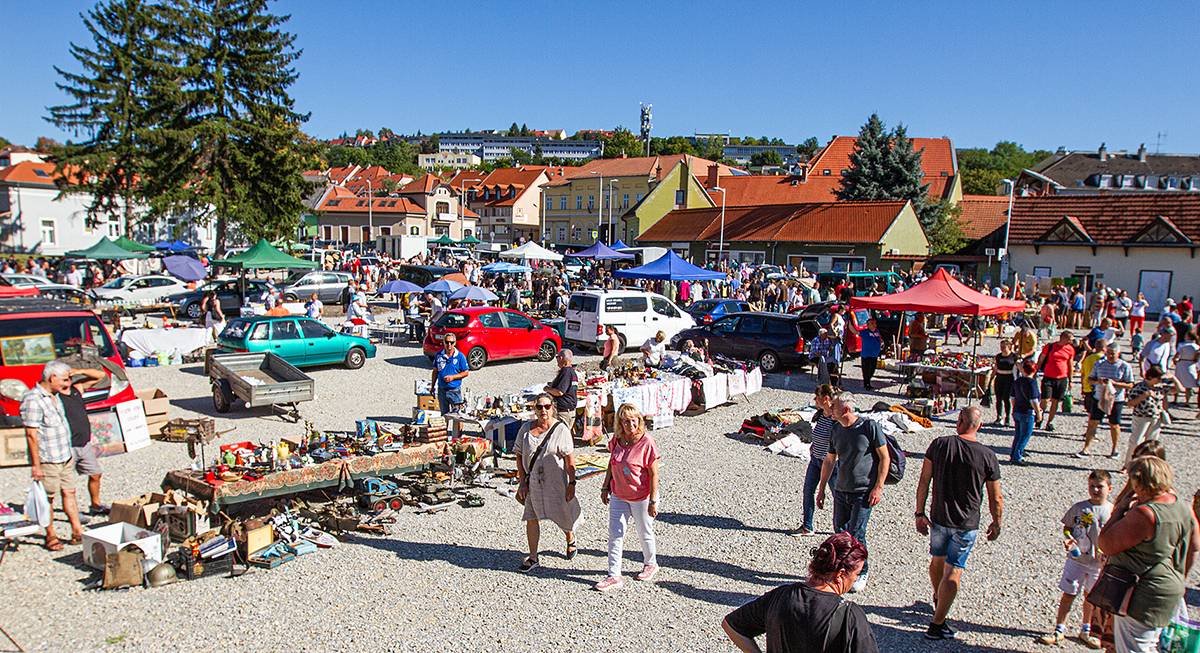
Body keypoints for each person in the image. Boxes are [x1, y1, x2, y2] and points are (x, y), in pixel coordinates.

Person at [915, 406, 1003, 640]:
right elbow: (995, 496)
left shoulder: (939, 445)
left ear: (959, 421)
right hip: (966, 522)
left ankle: (938, 597)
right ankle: (937, 624)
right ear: (980, 426)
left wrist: (919, 512)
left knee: (937, 560)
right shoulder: (987, 456)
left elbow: (924, 480)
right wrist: (997, 522)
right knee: (954, 568)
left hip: (939, 516)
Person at [1097, 457, 1198, 652]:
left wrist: (1120, 510)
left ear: (1139, 481)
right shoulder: (1182, 507)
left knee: (1135, 648)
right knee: (1151, 644)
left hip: (1140, 593)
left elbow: (1106, 544)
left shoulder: (1146, 514)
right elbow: (1194, 547)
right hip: (1169, 587)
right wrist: (1179, 576)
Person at [722, 532, 880, 653]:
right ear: (840, 574)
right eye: (856, 574)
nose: (855, 579)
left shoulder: (781, 596)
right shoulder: (848, 615)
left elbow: (732, 625)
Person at [816, 392, 889, 593]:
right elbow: (830, 460)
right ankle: (843, 570)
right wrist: (821, 488)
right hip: (841, 489)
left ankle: (861, 571)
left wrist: (878, 487)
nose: (831, 409)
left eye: (835, 406)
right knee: (840, 532)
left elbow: (884, 457)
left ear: (846, 409)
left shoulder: (869, 427)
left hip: (863, 491)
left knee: (857, 533)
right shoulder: (836, 429)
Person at [1036, 470, 1113, 647]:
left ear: (1109, 488)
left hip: (1098, 564)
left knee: (1091, 597)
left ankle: (1086, 630)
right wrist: (1068, 538)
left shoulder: (1112, 510)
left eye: (1099, 487)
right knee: (1069, 593)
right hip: (1077, 560)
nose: (1095, 490)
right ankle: (1059, 629)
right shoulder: (1079, 508)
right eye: (1091, 486)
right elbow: (1067, 527)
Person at [595, 403, 661, 592]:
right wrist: (605, 486)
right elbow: (612, 463)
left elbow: (654, 474)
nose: (630, 425)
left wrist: (653, 500)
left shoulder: (647, 442)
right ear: (620, 423)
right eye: (625, 421)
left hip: (641, 496)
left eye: (633, 420)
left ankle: (651, 563)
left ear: (639, 421)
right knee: (615, 534)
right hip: (619, 494)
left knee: (644, 531)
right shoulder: (617, 439)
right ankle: (613, 575)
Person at [20, 361, 84, 551]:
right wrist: (36, 465)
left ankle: (77, 531)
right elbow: (31, 434)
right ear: (52, 378)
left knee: (70, 492)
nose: (67, 384)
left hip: (64, 455)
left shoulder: (55, 396)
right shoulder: (33, 399)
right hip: (48, 458)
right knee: (48, 498)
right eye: (64, 380)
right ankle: (51, 534)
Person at [513, 393, 580, 572]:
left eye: (547, 406)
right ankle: (533, 557)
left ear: (553, 408)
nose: (543, 410)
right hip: (533, 482)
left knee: (562, 513)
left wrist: (572, 483)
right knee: (531, 517)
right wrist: (522, 482)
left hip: (555, 481)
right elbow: (519, 454)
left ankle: (570, 537)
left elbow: (570, 460)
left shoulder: (561, 430)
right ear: (534, 409)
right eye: (539, 407)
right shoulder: (525, 429)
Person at [59, 366, 109, 517]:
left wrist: (80, 371)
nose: (67, 381)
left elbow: (101, 376)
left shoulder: (76, 389)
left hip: (84, 443)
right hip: (67, 445)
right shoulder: (54, 397)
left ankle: (96, 504)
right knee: (66, 482)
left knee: (95, 474)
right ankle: (71, 511)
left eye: (68, 378)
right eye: (64, 379)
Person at [795, 384, 838, 536]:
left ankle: (841, 530)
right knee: (808, 491)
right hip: (816, 460)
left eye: (817, 397)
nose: (814, 400)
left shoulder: (836, 419)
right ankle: (807, 526)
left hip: (832, 464)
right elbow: (818, 434)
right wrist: (814, 445)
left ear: (825, 398)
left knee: (838, 497)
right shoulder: (821, 415)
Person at [1080, 343, 1134, 459]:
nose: (1110, 356)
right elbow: (1090, 379)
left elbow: (1130, 384)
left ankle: (1114, 449)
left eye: (1112, 354)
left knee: (1114, 424)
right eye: (1108, 353)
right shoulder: (1099, 364)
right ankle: (1086, 448)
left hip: (1116, 399)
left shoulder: (1124, 366)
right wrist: (1098, 381)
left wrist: (1115, 383)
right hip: (1099, 397)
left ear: (1118, 353)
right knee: (1092, 422)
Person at [1124, 365, 1180, 469]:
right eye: (1158, 378)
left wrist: (1173, 378)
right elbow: (1130, 404)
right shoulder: (1139, 387)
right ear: (1150, 377)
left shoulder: (1160, 387)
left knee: (1152, 444)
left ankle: (1148, 466)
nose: (1160, 380)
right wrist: (1144, 396)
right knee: (1136, 442)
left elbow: (1179, 389)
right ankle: (1128, 465)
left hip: (1156, 418)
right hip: (1141, 417)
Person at [1036, 331, 1076, 432]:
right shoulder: (1050, 347)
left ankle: (1050, 422)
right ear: (1063, 338)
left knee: (1056, 401)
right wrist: (1035, 370)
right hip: (1048, 377)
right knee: (1045, 399)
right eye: (1070, 339)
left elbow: (1070, 364)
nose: (1072, 342)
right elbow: (1041, 359)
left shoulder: (1070, 349)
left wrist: (1070, 380)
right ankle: (1040, 417)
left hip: (1062, 378)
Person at [1010, 359, 1043, 465]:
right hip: (1027, 412)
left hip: (1017, 411)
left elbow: (1012, 397)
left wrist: (1015, 408)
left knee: (1018, 435)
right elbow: (1033, 400)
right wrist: (1038, 412)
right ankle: (1017, 457)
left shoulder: (1017, 381)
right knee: (1025, 436)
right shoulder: (1032, 383)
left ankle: (1013, 454)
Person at [431, 333, 469, 414]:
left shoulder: (460, 356)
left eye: (451, 342)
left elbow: (466, 372)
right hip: (442, 390)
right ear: (443, 342)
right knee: (444, 415)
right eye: (447, 342)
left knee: (458, 415)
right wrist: (432, 386)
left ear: (455, 343)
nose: (449, 344)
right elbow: (435, 371)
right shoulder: (438, 355)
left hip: (454, 390)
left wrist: (453, 377)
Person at [543, 349, 578, 426]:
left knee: (561, 432)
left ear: (561, 358)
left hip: (564, 412)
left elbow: (559, 392)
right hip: (568, 410)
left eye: (557, 357)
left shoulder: (566, 371)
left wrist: (547, 389)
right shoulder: (572, 371)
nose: (557, 360)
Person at [991, 339, 1018, 426]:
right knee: (998, 398)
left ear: (1009, 347)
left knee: (1006, 398)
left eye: (1004, 346)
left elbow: (1018, 368)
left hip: (1009, 379)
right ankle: (999, 416)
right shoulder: (998, 356)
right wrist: (991, 378)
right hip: (999, 378)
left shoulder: (1014, 356)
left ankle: (1007, 417)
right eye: (1001, 346)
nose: (1002, 348)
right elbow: (995, 368)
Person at [1172, 330, 1199, 408]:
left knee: (1178, 382)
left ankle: (1175, 399)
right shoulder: (1196, 347)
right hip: (1190, 364)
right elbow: (1197, 357)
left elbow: (1176, 356)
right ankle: (1187, 401)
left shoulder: (1182, 345)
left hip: (1181, 364)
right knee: (1189, 385)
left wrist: (1176, 362)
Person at [859, 318, 882, 390]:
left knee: (872, 370)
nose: (874, 325)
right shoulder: (865, 332)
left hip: (874, 355)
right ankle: (867, 384)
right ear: (868, 325)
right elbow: (855, 332)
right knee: (866, 370)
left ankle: (868, 382)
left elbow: (879, 339)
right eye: (872, 323)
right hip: (866, 355)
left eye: (874, 323)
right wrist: (849, 324)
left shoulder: (877, 332)